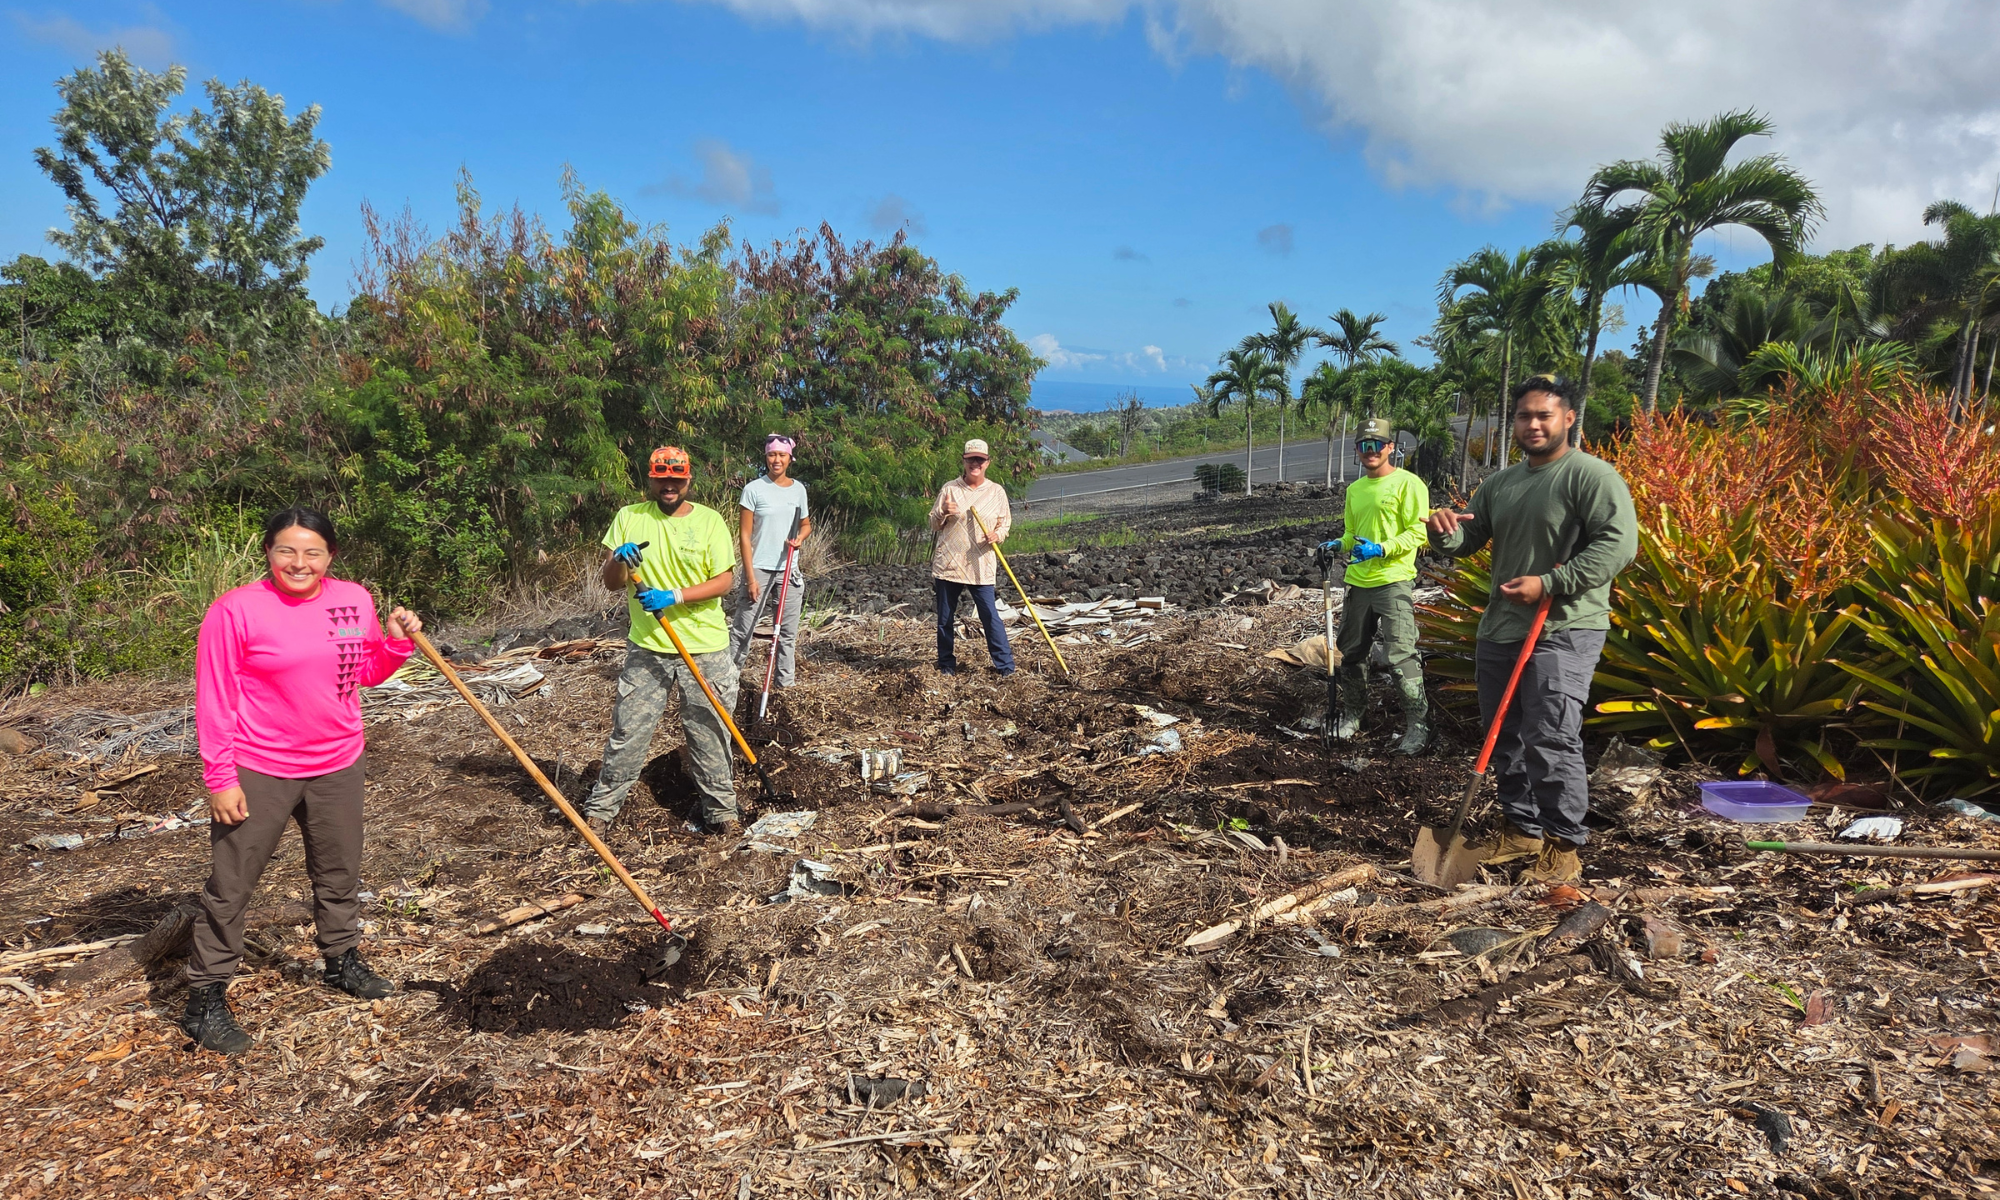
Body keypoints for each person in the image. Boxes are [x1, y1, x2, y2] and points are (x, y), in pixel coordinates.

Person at [187, 506, 421, 1054]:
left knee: (339, 871)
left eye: (312, 551)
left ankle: (341, 961)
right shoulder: (235, 611)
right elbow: (215, 700)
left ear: (329, 556)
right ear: (266, 552)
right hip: (259, 767)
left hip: (339, 761)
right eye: (286, 550)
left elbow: (359, 673)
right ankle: (204, 1000)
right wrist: (221, 778)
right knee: (232, 885)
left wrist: (395, 644)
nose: (299, 562)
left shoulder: (353, 598)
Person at [1425, 374, 1637, 884]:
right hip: (1501, 629)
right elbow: (1470, 538)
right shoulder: (1502, 483)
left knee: (1551, 735)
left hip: (1563, 627)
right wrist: (1444, 534)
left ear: (1568, 419)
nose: (1534, 424)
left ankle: (1563, 847)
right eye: (1525, 416)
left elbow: (1618, 545)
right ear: (1513, 423)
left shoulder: (1591, 476)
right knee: (1506, 737)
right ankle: (1521, 829)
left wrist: (1551, 582)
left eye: (1545, 415)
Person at [584, 446, 741, 838]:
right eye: (661, 479)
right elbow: (610, 582)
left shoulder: (709, 521)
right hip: (649, 644)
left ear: (688, 480)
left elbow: (725, 581)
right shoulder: (629, 518)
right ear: (650, 480)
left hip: (705, 645)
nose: (669, 486)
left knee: (710, 730)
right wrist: (618, 560)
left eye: (677, 480)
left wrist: (674, 596)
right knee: (629, 730)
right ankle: (601, 812)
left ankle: (722, 813)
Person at [1319, 418, 1432, 753]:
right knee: (1352, 651)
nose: (1370, 451)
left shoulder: (1409, 484)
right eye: (1364, 446)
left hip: (1394, 580)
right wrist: (1338, 545)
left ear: (1390, 448)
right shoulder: (1355, 490)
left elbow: (1419, 532)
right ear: (1357, 451)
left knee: (1401, 654)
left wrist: (1382, 548)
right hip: (1357, 581)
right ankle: (1354, 715)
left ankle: (1420, 726)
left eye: (1377, 445)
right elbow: (1353, 533)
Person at [729, 433, 812, 688]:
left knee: (787, 633)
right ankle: (727, 680)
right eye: (772, 455)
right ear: (766, 457)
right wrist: (750, 577)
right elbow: (744, 535)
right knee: (743, 629)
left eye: (782, 455)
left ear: (790, 458)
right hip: (759, 568)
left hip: (789, 569)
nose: (777, 460)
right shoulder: (753, 489)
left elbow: (806, 525)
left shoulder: (799, 490)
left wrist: (799, 539)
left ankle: (784, 685)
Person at [928, 438, 1015, 677]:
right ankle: (946, 665)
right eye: (970, 459)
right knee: (945, 618)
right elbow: (933, 523)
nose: (975, 463)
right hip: (949, 564)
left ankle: (1005, 667)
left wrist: (997, 535)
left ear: (987, 462)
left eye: (980, 459)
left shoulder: (997, 492)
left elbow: (1005, 524)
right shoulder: (950, 489)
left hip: (981, 564)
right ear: (964, 461)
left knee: (990, 616)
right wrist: (944, 511)